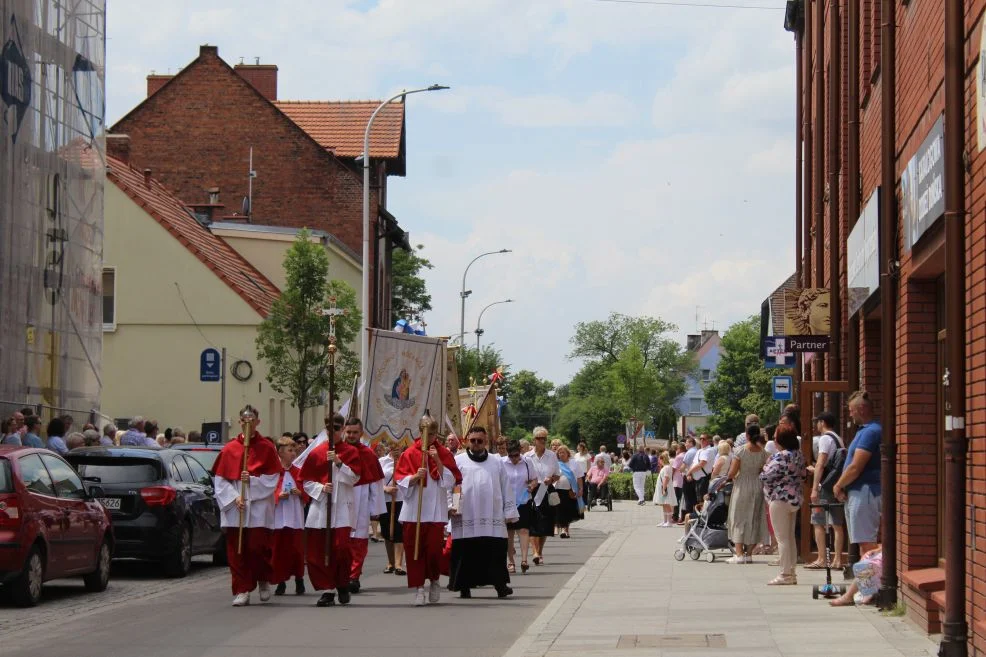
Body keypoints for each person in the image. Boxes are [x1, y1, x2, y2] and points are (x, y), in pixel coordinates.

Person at [211, 405, 281, 606]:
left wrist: (252, 481)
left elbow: (272, 478)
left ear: (257, 422)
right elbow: (220, 480)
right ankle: (242, 589)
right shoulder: (230, 448)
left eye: (252, 420)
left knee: (258, 547)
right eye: (244, 420)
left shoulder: (266, 447)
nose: (247, 424)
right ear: (240, 422)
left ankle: (263, 580)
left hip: (259, 507)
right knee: (237, 550)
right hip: (236, 507)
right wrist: (235, 498)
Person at [298, 416, 362, 608]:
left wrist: (340, 464)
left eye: (335, 428)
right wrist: (319, 488)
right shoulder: (317, 452)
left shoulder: (350, 451)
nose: (332, 431)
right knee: (319, 551)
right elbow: (306, 480)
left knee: (341, 549)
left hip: (342, 507)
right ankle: (327, 589)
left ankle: (342, 583)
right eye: (328, 428)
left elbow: (355, 478)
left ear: (342, 429)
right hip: (321, 508)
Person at [395, 420, 461, 606]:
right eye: (426, 434)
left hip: (434, 511)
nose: (429, 438)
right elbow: (400, 479)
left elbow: (451, 480)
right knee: (414, 551)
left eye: (432, 435)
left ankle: (434, 580)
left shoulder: (443, 453)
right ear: (420, 432)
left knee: (432, 551)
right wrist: (414, 477)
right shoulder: (409, 453)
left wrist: (437, 460)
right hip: (414, 511)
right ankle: (418, 589)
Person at [449, 426, 518, 599]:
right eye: (473, 441)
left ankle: (500, 586)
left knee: (495, 553)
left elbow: (506, 487)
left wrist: (509, 511)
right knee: (466, 552)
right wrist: (452, 506)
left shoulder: (496, 462)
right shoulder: (458, 460)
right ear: (467, 442)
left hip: (491, 515)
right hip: (466, 515)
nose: (476, 444)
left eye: (480, 441)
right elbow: (451, 486)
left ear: (486, 442)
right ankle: (464, 586)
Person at [834, 391, 882, 557]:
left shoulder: (870, 432)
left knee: (867, 545)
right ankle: (865, 582)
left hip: (865, 492)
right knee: (865, 543)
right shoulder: (865, 431)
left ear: (862, 408)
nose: (850, 414)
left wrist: (838, 485)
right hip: (862, 491)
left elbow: (856, 466)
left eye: (851, 410)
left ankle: (868, 582)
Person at [341, 418, 385, 593]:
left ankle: (354, 576)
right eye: (349, 432)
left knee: (358, 541)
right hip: (341, 499)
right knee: (341, 541)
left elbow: (375, 483)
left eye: (355, 432)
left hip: (361, 499)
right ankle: (341, 575)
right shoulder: (336, 452)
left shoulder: (367, 454)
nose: (351, 435)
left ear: (361, 433)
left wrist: (376, 510)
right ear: (344, 431)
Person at [759, 424, 807, 585]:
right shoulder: (798, 455)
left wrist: (765, 466)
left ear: (780, 440)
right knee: (790, 537)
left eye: (775, 438)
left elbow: (765, 476)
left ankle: (785, 574)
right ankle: (791, 571)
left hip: (779, 498)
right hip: (795, 498)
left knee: (782, 538)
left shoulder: (780, 456)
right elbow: (804, 474)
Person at [806, 411, 845, 570]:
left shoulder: (824, 439)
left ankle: (821, 558)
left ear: (822, 422)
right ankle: (837, 559)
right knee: (837, 524)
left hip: (825, 486)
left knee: (818, 522)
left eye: (817, 422)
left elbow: (821, 464)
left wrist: (814, 488)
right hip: (836, 484)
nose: (816, 425)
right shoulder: (838, 439)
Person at [725, 424, 770, 563]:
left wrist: (730, 477)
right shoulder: (764, 452)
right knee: (754, 517)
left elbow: (732, 473)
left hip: (742, 484)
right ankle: (749, 553)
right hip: (757, 485)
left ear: (747, 435)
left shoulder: (740, 451)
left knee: (738, 517)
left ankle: (738, 554)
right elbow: (765, 469)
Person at [271, 436, 307, 597]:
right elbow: (268, 491)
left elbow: (307, 491)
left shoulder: (298, 472)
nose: (293, 453)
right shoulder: (273, 472)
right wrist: (278, 495)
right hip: (278, 518)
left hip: (295, 517)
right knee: (279, 550)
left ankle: (299, 579)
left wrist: (300, 493)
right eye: (290, 451)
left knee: (296, 551)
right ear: (280, 452)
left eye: (294, 450)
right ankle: (281, 581)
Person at [525, 426, 560, 565]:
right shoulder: (527, 456)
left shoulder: (551, 455)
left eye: (545, 439)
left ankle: (540, 551)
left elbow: (557, 475)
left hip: (546, 490)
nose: (543, 441)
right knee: (532, 522)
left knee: (545, 523)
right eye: (540, 438)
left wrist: (551, 479)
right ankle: (534, 552)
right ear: (534, 440)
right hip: (531, 490)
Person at [503, 439, 537, 574]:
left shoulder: (527, 462)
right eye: (511, 456)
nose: (513, 459)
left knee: (523, 530)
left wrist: (532, 485)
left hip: (524, 501)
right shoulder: (502, 463)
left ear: (520, 451)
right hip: (508, 502)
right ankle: (510, 561)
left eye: (516, 455)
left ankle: (524, 560)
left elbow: (535, 478)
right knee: (509, 533)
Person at [378, 440, 406, 576]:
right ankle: (390, 562)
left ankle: (399, 564)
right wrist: (385, 488)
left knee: (399, 531)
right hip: (385, 500)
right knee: (387, 531)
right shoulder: (382, 461)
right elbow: (376, 481)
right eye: (392, 445)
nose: (395, 448)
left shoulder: (406, 459)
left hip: (401, 499)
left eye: (398, 445)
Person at [554, 445, 584, 538]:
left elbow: (579, 477)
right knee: (560, 510)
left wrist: (581, 489)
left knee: (568, 510)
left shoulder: (574, 463)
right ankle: (563, 530)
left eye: (563, 452)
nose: (561, 454)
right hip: (558, 490)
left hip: (571, 490)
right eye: (559, 453)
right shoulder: (556, 464)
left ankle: (566, 530)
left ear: (568, 453)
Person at [652, 452, 677, 526]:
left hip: (665, 488)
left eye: (659, 459)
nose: (658, 461)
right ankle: (665, 521)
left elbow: (666, 478)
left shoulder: (666, 467)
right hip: (663, 487)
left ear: (662, 459)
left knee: (666, 504)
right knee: (664, 504)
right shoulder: (665, 467)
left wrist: (664, 488)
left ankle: (669, 521)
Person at [677, 437, 698, 524]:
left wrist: (680, 470)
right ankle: (694, 517)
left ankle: (689, 518)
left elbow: (684, 466)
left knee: (688, 499)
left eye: (686, 442)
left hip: (688, 477)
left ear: (691, 443)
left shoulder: (690, 452)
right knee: (693, 498)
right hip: (694, 476)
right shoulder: (697, 450)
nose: (685, 444)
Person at [573, 442, 591, 508]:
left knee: (584, 488)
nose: (577, 447)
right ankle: (578, 501)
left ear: (582, 447)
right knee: (577, 487)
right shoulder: (576, 455)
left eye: (578, 446)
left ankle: (585, 502)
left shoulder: (587, 455)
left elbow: (589, 466)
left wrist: (588, 474)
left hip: (584, 473)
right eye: (577, 446)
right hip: (577, 473)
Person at [671, 443, 685, 522]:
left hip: (677, 481)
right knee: (683, 500)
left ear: (680, 449)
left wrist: (670, 478)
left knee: (676, 500)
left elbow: (673, 468)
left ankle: (675, 516)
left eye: (677, 449)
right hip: (683, 480)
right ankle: (682, 516)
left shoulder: (678, 457)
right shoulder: (686, 455)